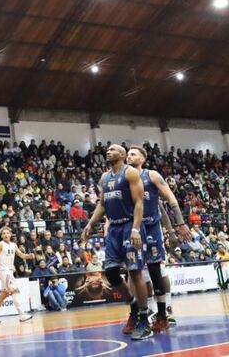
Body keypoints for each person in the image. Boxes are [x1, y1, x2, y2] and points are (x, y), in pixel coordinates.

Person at [82, 144, 152, 340]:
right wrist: (90, 224)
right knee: (111, 273)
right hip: (114, 229)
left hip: (130, 226)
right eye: (107, 150)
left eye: (112, 149)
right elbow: (102, 204)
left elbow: (139, 203)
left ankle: (144, 320)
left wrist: (136, 229)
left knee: (135, 271)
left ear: (122, 155)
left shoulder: (130, 173)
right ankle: (134, 306)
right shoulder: (104, 177)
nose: (108, 151)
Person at [127, 146, 192, 330]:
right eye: (128, 154)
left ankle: (165, 311)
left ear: (142, 159)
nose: (129, 156)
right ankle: (141, 311)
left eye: (133, 154)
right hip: (132, 229)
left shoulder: (152, 175)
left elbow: (164, 206)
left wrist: (175, 227)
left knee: (158, 271)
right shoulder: (124, 178)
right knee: (134, 272)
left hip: (151, 228)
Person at [0, 227, 33, 323]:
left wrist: (28, 256)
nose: (6, 235)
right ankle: (22, 314)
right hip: (4, 271)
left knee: (4, 294)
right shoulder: (0, 244)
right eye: (3, 233)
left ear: (10, 234)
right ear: (1, 236)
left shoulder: (13, 245)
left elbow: (21, 255)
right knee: (14, 290)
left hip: (10, 271)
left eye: (7, 233)